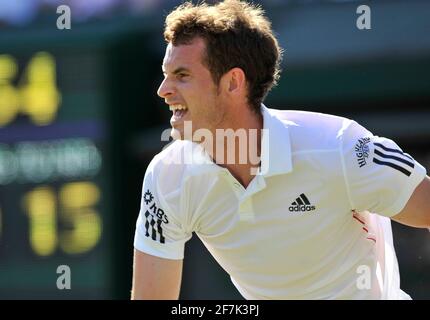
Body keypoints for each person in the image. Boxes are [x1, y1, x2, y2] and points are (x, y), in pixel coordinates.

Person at [131, 0, 430, 299]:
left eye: (182, 75)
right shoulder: (167, 175)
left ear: (233, 82)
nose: (163, 90)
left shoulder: (339, 147)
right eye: (166, 74)